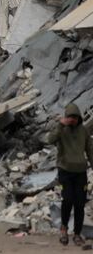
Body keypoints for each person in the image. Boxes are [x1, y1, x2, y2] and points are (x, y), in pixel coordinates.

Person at [48, 103, 93, 246]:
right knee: (67, 200)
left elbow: (90, 150)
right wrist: (61, 125)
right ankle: (63, 229)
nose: (73, 119)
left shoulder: (84, 131)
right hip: (65, 171)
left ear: (79, 117)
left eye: (75, 117)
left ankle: (77, 233)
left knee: (80, 204)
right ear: (66, 117)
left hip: (80, 172)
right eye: (70, 117)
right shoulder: (61, 130)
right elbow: (50, 139)